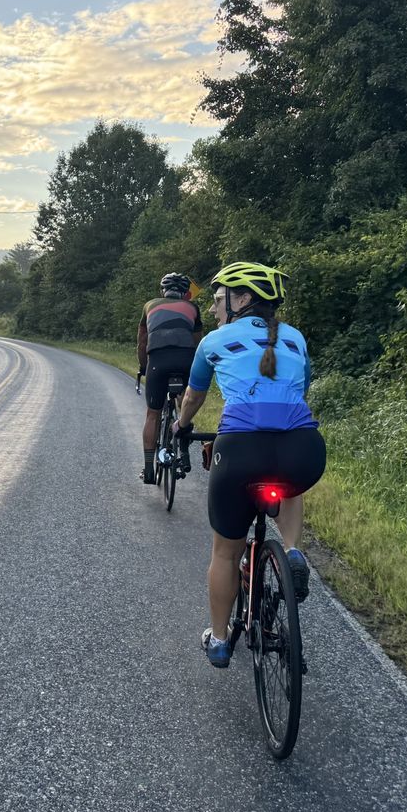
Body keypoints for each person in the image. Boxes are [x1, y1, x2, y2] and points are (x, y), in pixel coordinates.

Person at [171, 262, 326, 668]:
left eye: (221, 299)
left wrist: (182, 426)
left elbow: (192, 397)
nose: (217, 307)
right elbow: (299, 389)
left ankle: (219, 640)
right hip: (303, 448)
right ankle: (292, 551)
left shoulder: (215, 341)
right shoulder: (296, 338)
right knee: (291, 484)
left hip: (240, 450)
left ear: (242, 300)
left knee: (225, 553)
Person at [137, 272, 203, 483]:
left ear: (162, 291)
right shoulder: (193, 308)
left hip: (158, 362)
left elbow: (142, 342)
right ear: (186, 294)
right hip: (185, 361)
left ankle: (148, 468)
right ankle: (183, 450)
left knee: (152, 414)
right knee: (185, 404)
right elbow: (197, 343)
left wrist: (144, 367)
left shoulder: (149, 305)